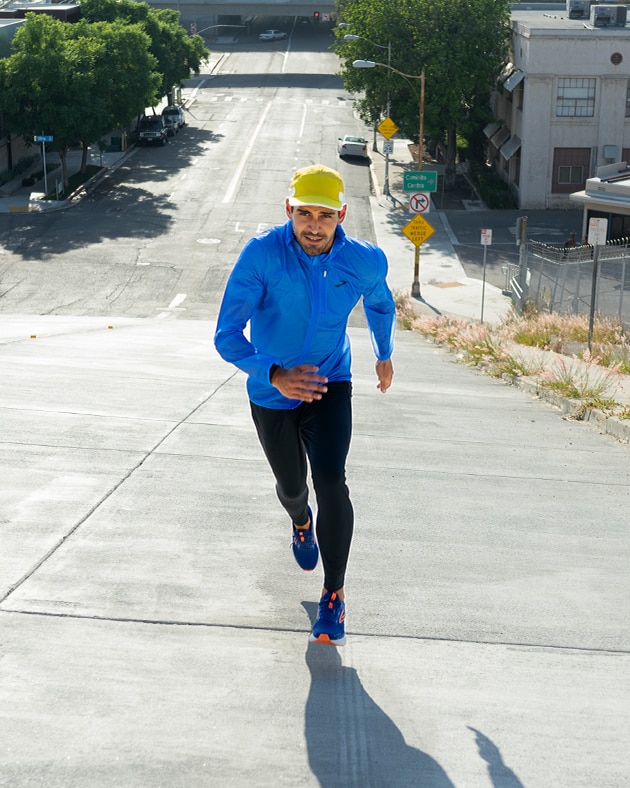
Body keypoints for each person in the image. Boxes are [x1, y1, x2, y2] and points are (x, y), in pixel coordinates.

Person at [214, 164, 395, 646]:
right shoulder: (261, 255)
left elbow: (380, 304)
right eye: (303, 214)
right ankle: (299, 520)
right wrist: (274, 373)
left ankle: (333, 594)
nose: (313, 226)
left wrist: (384, 352)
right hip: (271, 391)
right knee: (293, 487)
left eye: (325, 216)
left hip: (328, 381)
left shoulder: (364, 260)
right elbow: (227, 335)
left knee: (331, 482)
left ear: (342, 214)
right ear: (288, 210)